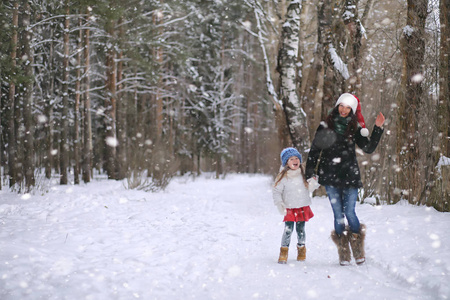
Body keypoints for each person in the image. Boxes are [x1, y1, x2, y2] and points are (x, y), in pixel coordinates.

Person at [305, 93, 385, 266]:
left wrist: (377, 128)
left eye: (348, 107)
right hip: (330, 174)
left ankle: (357, 248)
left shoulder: (355, 127)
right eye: (342, 105)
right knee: (338, 214)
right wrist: (310, 173)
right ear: (337, 105)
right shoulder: (325, 126)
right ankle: (343, 251)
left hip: (350, 175)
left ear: (352, 110)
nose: (344, 110)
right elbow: (315, 151)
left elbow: (369, 148)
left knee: (349, 212)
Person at [273, 147, 314, 264]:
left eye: (297, 158)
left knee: (301, 229)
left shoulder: (304, 174)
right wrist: (279, 203)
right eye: (291, 159)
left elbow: (310, 187)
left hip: (302, 206)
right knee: (288, 230)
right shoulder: (283, 177)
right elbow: (276, 191)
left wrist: (314, 181)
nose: (295, 160)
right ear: (286, 162)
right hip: (289, 208)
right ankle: (284, 251)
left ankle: (301, 249)